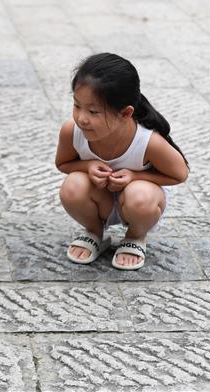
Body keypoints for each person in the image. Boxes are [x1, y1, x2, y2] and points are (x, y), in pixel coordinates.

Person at [55, 53, 188, 270]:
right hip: (99, 198)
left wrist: (135, 176)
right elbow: (63, 164)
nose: (81, 118)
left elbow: (180, 174)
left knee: (140, 195)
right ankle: (94, 232)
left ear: (125, 113)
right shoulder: (72, 131)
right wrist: (86, 166)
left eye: (93, 111)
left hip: (138, 202)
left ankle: (135, 236)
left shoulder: (148, 142)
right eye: (77, 106)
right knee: (72, 186)